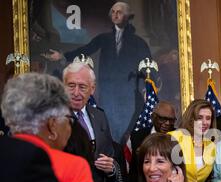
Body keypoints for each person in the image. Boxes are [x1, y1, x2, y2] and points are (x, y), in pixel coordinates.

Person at [44, 2, 152, 142]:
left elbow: (149, 66)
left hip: (128, 95)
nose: (115, 14)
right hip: (108, 94)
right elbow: (86, 49)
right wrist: (63, 56)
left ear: (127, 16)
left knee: (126, 132)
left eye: (119, 12)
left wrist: (146, 88)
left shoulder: (138, 42)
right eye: (113, 12)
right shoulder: (104, 38)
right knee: (108, 130)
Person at [63, 61, 119, 182]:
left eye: (82, 87)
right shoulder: (53, 118)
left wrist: (110, 167)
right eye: (71, 85)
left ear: (92, 89)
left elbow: (110, 155)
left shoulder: (99, 116)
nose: (76, 92)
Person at [168, 99, 217, 182]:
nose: (205, 122)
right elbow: (161, 169)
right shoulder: (174, 137)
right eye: (200, 117)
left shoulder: (211, 146)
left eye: (208, 118)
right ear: (191, 118)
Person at [128, 101, 177, 182]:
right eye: (163, 119)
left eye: (171, 120)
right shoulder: (137, 136)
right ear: (153, 117)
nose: (167, 123)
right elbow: (133, 170)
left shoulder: (179, 137)